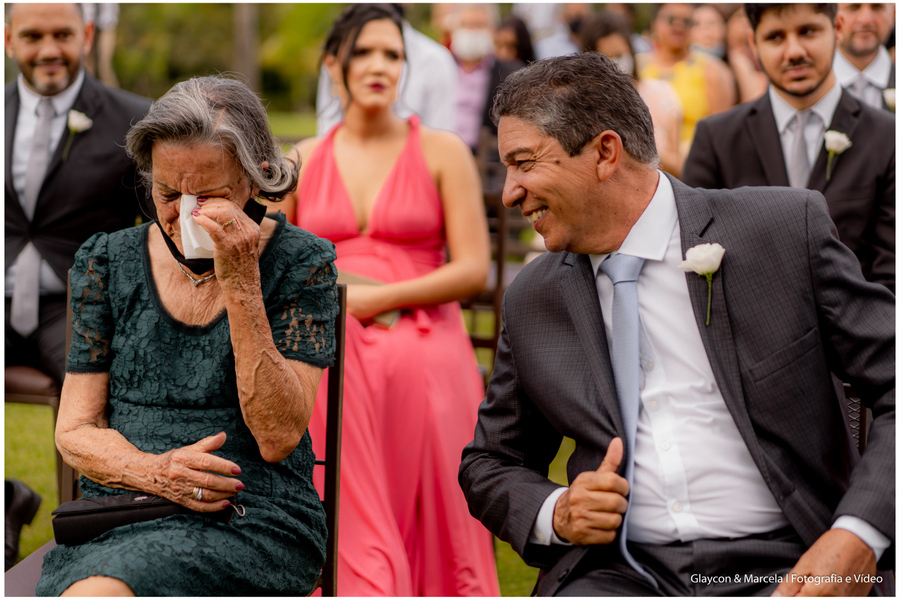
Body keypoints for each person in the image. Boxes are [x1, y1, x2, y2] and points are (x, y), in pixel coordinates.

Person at [459, 52, 894, 597]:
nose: (509, 193)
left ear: (606, 153)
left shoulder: (783, 231)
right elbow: (490, 462)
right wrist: (558, 511)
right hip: (616, 574)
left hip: (787, 561)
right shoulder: (534, 297)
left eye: (524, 163)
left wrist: (857, 536)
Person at [35, 75, 337, 596]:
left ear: (256, 179)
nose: (184, 214)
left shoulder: (300, 263)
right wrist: (157, 473)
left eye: (209, 196)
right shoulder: (107, 262)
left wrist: (241, 282)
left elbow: (278, 436)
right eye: (168, 194)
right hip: (127, 508)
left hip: (251, 514)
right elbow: (75, 430)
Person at [280, 4, 498, 596]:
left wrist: (376, 301)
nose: (380, 66)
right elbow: (277, 264)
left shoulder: (443, 151)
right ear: (334, 65)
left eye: (393, 54)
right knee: (324, 368)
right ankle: (356, 571)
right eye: (364, 53)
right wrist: (337, 306)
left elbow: (473, 268)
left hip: (425, 323)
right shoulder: (302, 158)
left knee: (413, 366)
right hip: (329, 328)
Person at [682, 3, 895, 292]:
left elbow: (891, 275)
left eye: (808, 32)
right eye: (775, 37)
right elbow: (695, 257)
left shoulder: (888, 136)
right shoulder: (717, 139)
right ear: (753, 42)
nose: (794, 52)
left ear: (837, 28)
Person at [5, 2, 151, 387]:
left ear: (86, 36)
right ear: (8, 40)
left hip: (82, 307)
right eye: (32, 36)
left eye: (62, 35)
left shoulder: (136, 121)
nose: (49, 50)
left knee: (96, 387)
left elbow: (160, 228)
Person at [316, 4, 458, 135]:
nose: (378, 68)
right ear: (331, 64)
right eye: (361, 53)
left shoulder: (434, 58)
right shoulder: (341, 46)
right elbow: (326, 121)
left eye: (392, 56)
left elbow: (441, 128)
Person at [581, 11, 685, 176]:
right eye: (605, 59)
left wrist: (636, 147)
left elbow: (679, 168)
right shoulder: (584, 107)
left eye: (619, 55)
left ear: (631, 51)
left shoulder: (660, 93)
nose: (614, 64)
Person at [639, 3, 736, 158]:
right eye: (671, 19)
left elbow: (721, 135)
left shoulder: (712, 69)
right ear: (655, 23)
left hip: (695, 161)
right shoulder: (638, 67)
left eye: (686, 21)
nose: (678, 26)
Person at [449, 3, 524, 154]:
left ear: (493, 30)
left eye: (478, 25)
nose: (471, 31)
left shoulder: (511, 75)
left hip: (487, 158)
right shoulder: (441, 66)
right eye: (465, 25)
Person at [833, 3, 896, 110]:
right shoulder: (811, 88)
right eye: (853, 7)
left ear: (893, 13)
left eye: (877, 7)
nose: (866, 20)